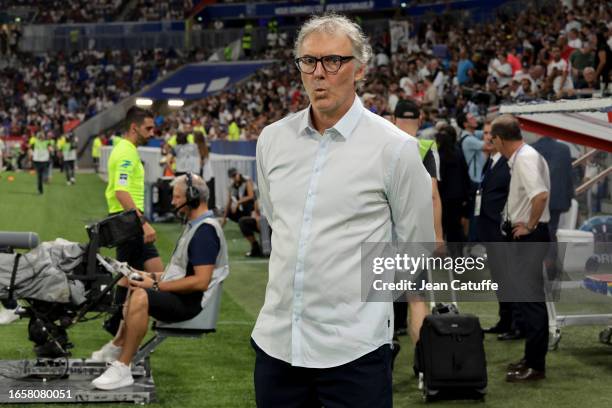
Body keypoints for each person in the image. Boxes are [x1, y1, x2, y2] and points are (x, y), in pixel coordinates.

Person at [252, 14, 433, 407]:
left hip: (355, 353)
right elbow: (277, 221)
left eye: (333, 61)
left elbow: (416, 245)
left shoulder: (394, 148)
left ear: (360, 69)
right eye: (308, 61)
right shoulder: (272, 140)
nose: (319, 73)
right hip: (277, 345)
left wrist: (357, 305)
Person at [91, 174, 228, 390]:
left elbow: (200, 282)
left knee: (141, 295)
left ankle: (123, 367)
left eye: (176, 197)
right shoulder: (196, 226)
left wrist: (154, 285)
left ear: (192, 197)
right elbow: (179, 273)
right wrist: (144, 276)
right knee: (135, 282)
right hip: (183, 297)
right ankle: (118, 346)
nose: (172, 202)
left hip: (191, 304)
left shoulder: (205, 232)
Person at [490, 114, 550, 383]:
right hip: (526, 236)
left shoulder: (524, 158)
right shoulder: (526, 156)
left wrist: (531, 225)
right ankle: (531, 359)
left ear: (500, 140)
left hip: (528, 237)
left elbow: (540, 195)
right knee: (528, 302)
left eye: (493, 140)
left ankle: (536, 365)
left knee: (531, 303)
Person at [102, 107, 164, 336]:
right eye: (148, 128)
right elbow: (121, 192)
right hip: (128, 222)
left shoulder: (126, 149)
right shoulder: (126, 152)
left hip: (129, 220)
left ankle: (118, 322)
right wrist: (143, 222)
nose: (152, 132)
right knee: (134, 278)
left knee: (151, 275)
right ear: (134, 127)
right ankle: (119, 326)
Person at [391, 98, 442, 345]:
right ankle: (424, 364)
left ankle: (381, 362)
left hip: (380, 235)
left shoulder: (381, 145)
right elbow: (432, 195)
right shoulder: (424, 148)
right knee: (417, 299)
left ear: (393, 119)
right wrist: (438, 235)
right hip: (412, 236)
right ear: (419, 120)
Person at [477, 118, 522, 341]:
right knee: (499, 278)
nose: (487, 137)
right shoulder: (492, 160)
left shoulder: (510, 162)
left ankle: (515, 324)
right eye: (485, 133)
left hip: (502, 229)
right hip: (490, 228)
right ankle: (504, 320)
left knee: (508, 277)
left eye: (490, 134)